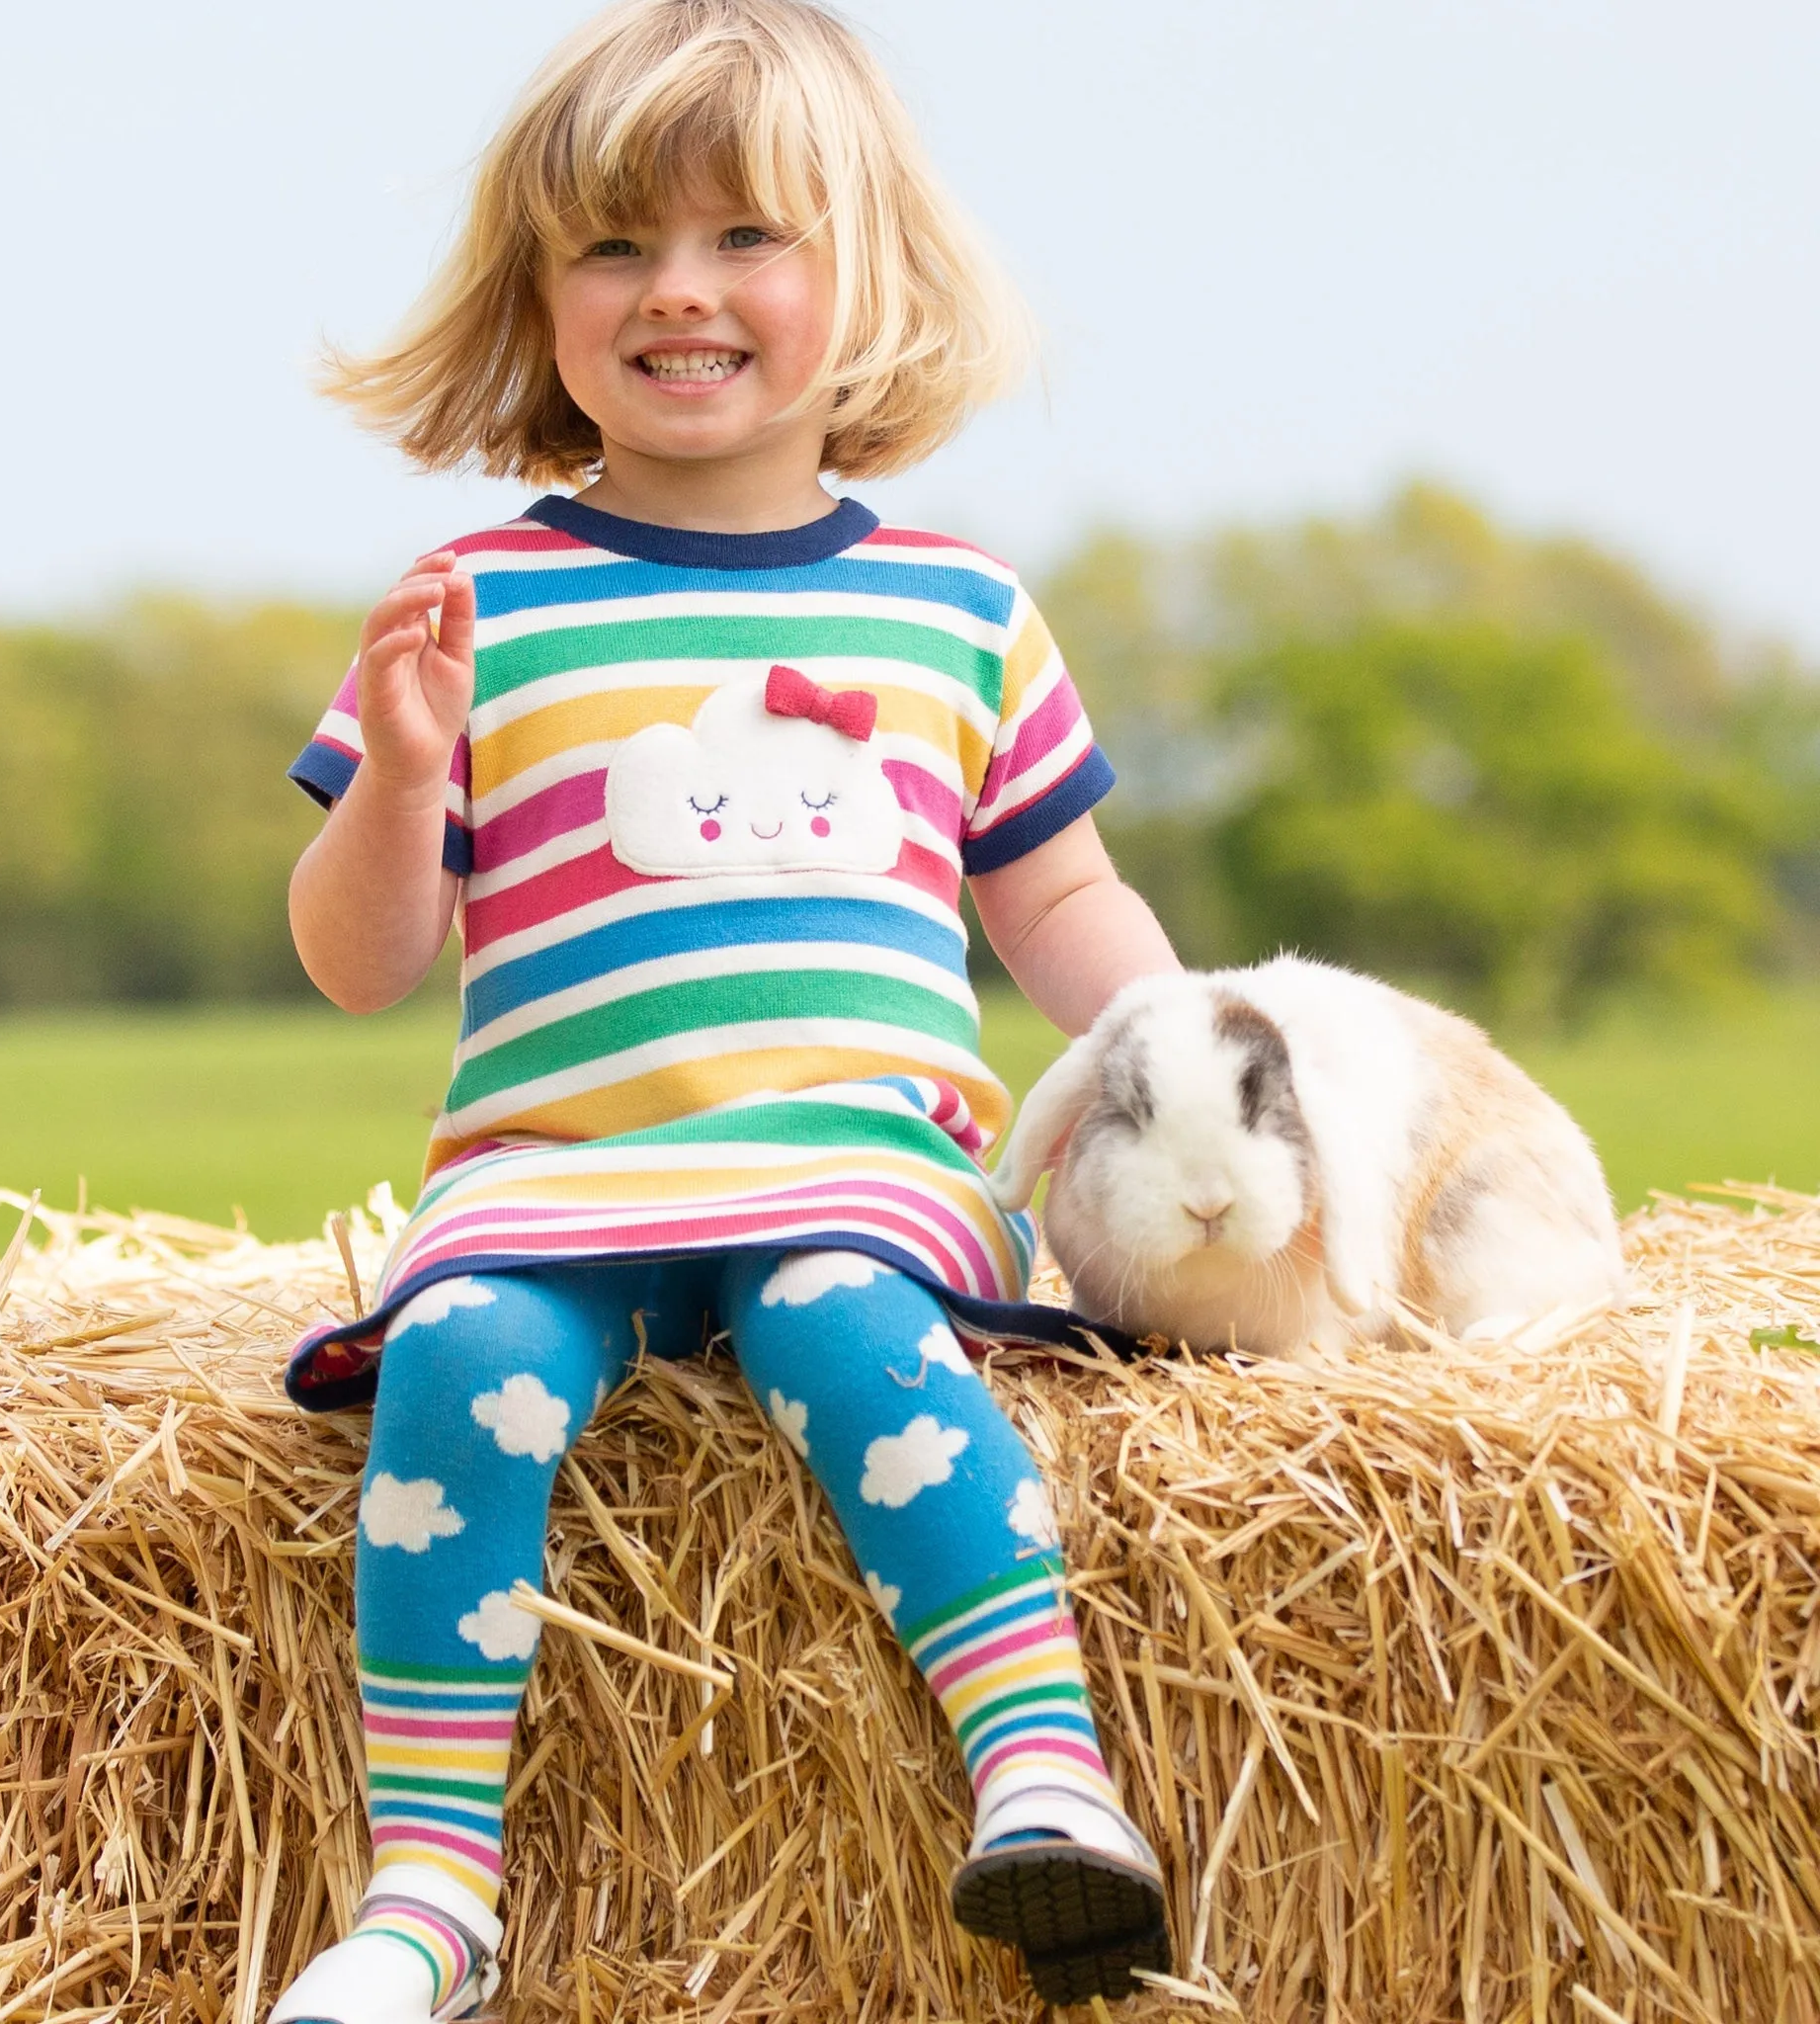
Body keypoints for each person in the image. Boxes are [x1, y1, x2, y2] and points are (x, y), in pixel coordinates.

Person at [272, 3, 1182, 2016]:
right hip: (557, 1180)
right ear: (540, 299)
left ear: (864, 277)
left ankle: (1043, 1772)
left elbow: (1061, 897)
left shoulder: (955, 608)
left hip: (855, 1166)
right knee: (458, 1352)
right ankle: (426, 1893)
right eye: (611, 248)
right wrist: (408, 770)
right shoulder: (477, 599)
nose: (676, 292)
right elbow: (358, 960)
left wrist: (1192, 1066)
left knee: (842, 1323)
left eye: (741, 237)